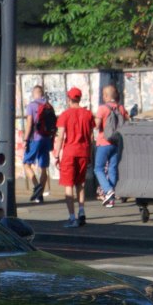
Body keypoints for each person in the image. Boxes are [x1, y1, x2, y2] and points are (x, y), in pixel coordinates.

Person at [51, 86, 95, 227]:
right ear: (80, 99)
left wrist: (56, 155)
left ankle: (72, 218)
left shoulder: (65, 115)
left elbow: (61, 136)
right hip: (83, 152)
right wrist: (90, 154)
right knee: (80, 184)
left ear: (69, 99)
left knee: (68, 185)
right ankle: (81, 211)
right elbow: (91, 136)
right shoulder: (88, 114)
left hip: (69, 153)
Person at [94, 84, 128, 208]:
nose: (103, 96)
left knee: (98, 168)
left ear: (107, 96)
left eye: (104, 94)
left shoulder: (102, 108)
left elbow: (97, 126)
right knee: (113, 169)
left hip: (103, 143)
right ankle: (111, 199)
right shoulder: (121, 108)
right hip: (116, 143)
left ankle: (108, 190)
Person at [22, 85, 52, 200]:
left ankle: (36, 186)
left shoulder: (31, 105)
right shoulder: (48, 106)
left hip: (35, 138)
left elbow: (29, 123)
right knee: (43, 167)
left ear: (34, 94)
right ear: (42, 93)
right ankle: (40, 196)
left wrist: (25, 139)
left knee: (26, 163)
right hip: (46, 138)